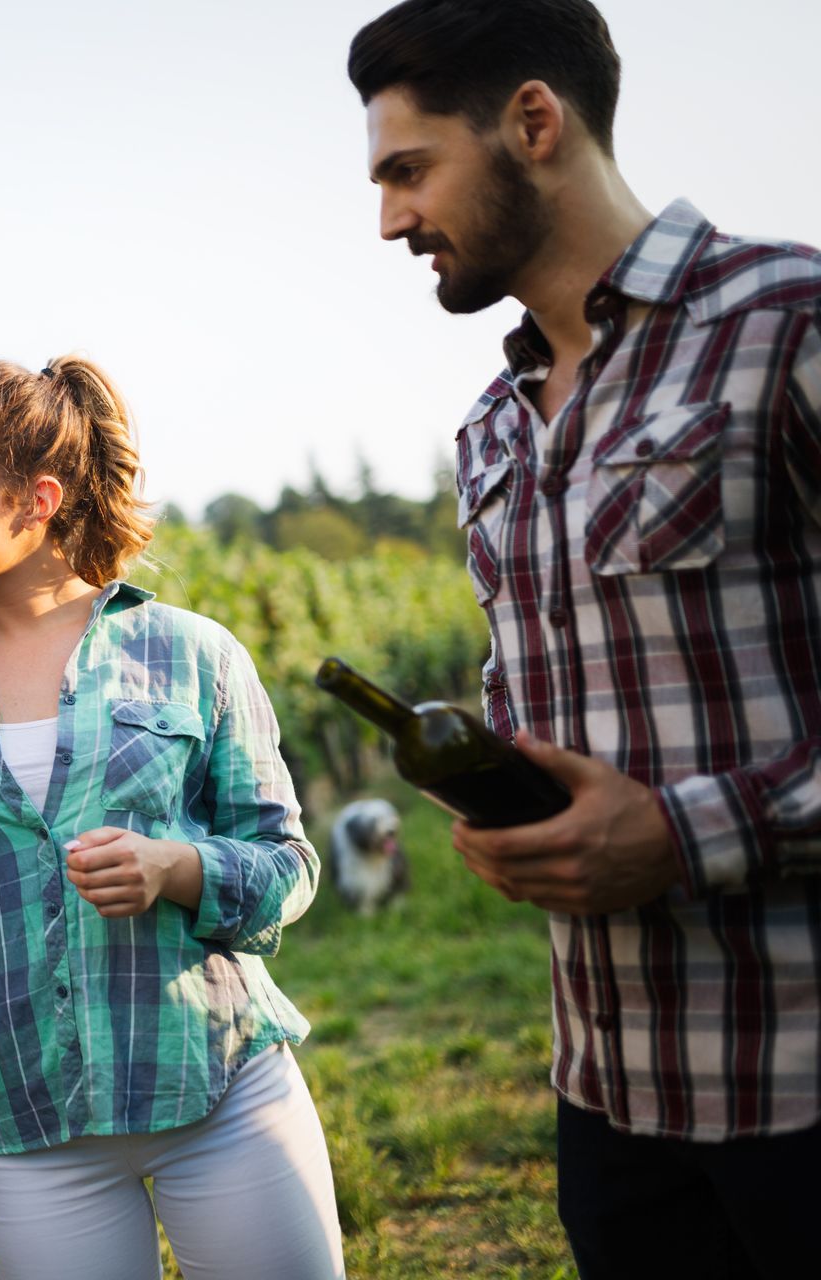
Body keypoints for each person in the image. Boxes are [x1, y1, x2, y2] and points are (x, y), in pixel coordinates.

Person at [350, 2, 821, 1274]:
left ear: (534, 123)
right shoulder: (490, 432)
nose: (390, 219)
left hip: (804, 1087)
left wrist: (683, 833)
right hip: (605, 1093)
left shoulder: (785, 323)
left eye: (408, 169)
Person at [0, 355, 345, 1280]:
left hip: (218, 1092)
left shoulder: (192, 654)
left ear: (36, 500)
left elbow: (288, 864)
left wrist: (174, 868)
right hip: (28, 1127)